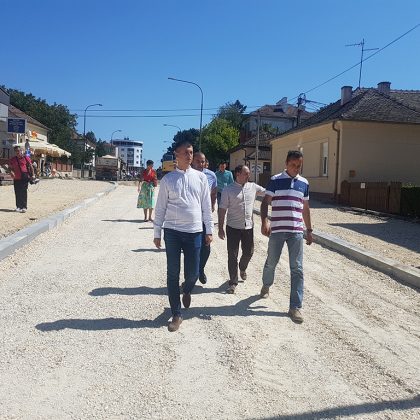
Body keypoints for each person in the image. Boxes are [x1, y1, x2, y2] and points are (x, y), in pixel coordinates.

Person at [153, 141, 213, 332]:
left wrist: (209, 230)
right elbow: (160, 208)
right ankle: (176, 314)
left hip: (194, 231)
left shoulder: (201, 178)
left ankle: (187, 289)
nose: (189, 156)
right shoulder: (168, 179)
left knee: (193, 272)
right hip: (172, 232)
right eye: (185, 152)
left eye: (191, 152)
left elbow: (206, 206)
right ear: (176, 155)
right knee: (172, 272)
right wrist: (157, 232)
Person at [260, 150, 313, 324]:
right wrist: (264, 221)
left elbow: (305, 208)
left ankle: (295, 307)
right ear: (286, 164)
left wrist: (309, 230)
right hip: (277, 230)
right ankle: (266, 285)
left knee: (297, 268)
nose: (296, 168)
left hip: (296, 231)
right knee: (271, 262)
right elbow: (265, 202)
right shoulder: (275, 180)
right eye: (293, 165)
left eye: (299, 166)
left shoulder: (304, 183)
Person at [218, 165, 265, 293]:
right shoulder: (228, 189)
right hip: (233, 227)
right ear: (238, 174)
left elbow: (268, 193)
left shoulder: (253, 187)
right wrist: (220, 228)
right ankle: (233, 282)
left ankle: (242, 267)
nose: (248, 176)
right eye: (246, 173)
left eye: (249, 173)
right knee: (232, 255)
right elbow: (222, 209)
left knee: (249, 252)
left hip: (248, 227)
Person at [191, 151, 217, 284]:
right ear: (192, 161)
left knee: (206, 247)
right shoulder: (187, 175)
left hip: (205, 216)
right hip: (191, 218)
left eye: (203, 161)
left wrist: (212, 204)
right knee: (193, 249)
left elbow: (214, 191)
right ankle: (192, 276)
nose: (201, 164)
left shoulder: (211, 175)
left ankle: (200, 269)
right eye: (198, 161)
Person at [8, 145, 36, 213]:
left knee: (23, 192)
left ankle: (24, 207)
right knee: (17, 192)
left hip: (24, 176)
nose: (17, 152)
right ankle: (18, 207)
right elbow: (9, 168)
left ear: (21, 151)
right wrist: (11, 172)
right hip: (16, 177)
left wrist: (33, 175)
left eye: (18, 150)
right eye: (16, 151)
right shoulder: (13, 159)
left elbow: (31, 167)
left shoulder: (26, 157)